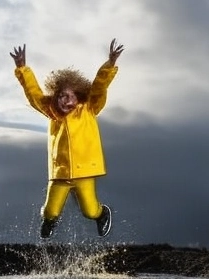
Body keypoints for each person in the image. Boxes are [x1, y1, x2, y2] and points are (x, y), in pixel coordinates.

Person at [10, 39, 124, 238]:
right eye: (61, 96)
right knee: (50, 212)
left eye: (69, 96)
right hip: (61, 173)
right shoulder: (52, 112)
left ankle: (102, 213)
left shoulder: (88, 109)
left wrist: (109, 65)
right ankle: (49, 222)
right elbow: (35, 95)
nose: (65, 100)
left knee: (89, 211)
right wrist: (22, 69)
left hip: (84, 172)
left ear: (78, 96)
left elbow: (99, 88)